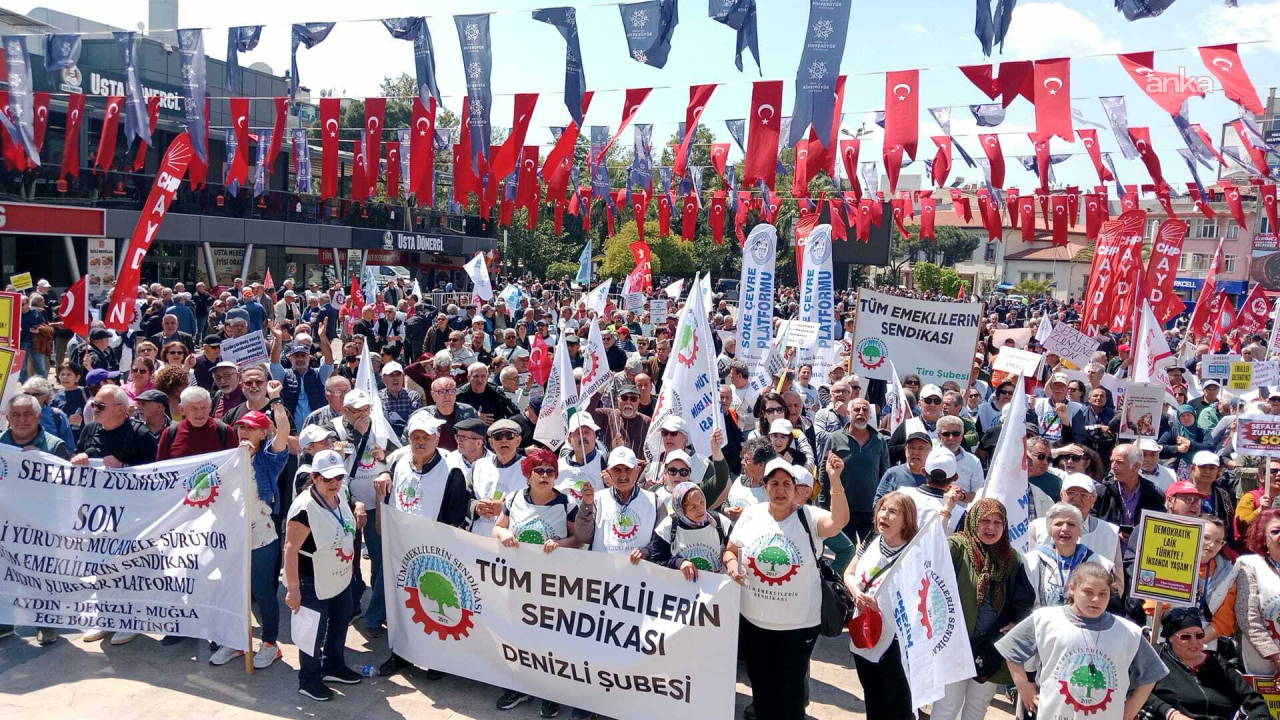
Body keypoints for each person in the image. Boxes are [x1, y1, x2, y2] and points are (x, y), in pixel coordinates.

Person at [724, 454, 849, 720]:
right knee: (762, 689)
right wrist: (732, 566)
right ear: (765, 487)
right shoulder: (751, 515)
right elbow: (730, 551)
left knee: (791, 694)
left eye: (786, 484)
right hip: (755, 623)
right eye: (774, 483)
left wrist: (835, 480)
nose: (780, 490)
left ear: (795, 488)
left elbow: (838, 522)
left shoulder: (809, 518)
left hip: (799, 626)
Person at [998, 564, 1166, 720]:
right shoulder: (1046, 620)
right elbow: (1011, 650)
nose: (1096, 599)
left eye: (1103, 594)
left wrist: (1133, 705)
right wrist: (1024, 687)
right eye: (1088, 592)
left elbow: (1152, 671)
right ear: (1072, 589)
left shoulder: (1129, 632)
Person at [374, 411, 473, 677]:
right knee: (401, 604)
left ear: (437, 438)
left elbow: (454, 518)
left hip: (433, 554)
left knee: (434, 608)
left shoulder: (452, 471)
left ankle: (436, 659)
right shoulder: (399, 464)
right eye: (415, 437)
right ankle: (401, 653)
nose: (420, 442)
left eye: (426, 437)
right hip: (400, 552)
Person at [491, 448, 583, 717]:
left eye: (550, 471)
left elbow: (579, 539)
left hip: (553, 584)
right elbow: (497, 527)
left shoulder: (566, 503)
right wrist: (503, 534)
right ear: (528, 474)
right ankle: (521, 687)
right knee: (519, 635)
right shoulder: (514, 498)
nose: (544, 476)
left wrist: (561, 544)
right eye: (539, 471)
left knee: (552, 640)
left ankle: (551, 693)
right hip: (519, 581)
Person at [932, 498, 1034, 720]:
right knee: (948, 705)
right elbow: (933, 553)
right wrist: (946, 511)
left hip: (989, 647)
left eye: (998, 522)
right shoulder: (957, 547)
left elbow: (1023, 600)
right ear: (973, 520)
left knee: (977, 707)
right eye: (985, 521)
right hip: (954, 644)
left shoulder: (1012, 559)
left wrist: (1016, 624)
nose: (991, 528)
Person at [210, 407, 290, 668]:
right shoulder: (228, 459)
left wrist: (276, 402)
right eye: (242, 427)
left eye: (252, 428)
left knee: (262, 592)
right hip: (232, 535)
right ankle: (236, 641)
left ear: (263, 433)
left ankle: (270, 644)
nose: (244, 431)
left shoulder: (268, 459)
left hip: (261, 536)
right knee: (233, 590)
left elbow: (283, 432)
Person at [283, 449, 364, 701]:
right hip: (312, 580)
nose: (334, 483)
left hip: (339, 576)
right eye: (327, 479)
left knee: (340, 622)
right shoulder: (304, 509)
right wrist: (293, 589)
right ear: (315, 477)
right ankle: (309, 680)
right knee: (312, 633)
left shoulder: (340, 495)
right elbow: (290, 549)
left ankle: (333, 666)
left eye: (338, 477)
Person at [846, 491, 918, 720]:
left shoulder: (914, 552)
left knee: (898, 704)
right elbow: (849, 573)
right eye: (882, 509)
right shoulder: (871, 539)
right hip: (864, 632)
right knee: (872, 696)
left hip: (895, 641)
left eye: (893, 512)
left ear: (906, 520)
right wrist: (857, 594)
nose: (884, 515)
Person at [1143, 606, 1272, 720]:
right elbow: (1139, 693)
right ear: (1170, 638)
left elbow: (1254, 701)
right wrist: (1169, 713)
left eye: (1199, 635)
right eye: (1185, 637)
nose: (1194, 642)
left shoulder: (1220, 664)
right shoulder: (1157, 659)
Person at [1023, 503, 1118, 608]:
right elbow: (1021, 605)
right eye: (1058, 524)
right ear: (1050, 530)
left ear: (1080, 531)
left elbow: (1112, 607)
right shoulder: (1031, 562)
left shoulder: (1100, 564)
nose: (1064, 529)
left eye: (1071, 524)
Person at [649, 482, 731, 579]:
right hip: (680, 586)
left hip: (717, 586)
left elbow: (734, 550)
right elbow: (655, 561)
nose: (700, 509)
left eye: (702, 502)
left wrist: (731, 561)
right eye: (693, 507)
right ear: (681, 509)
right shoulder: (667, 528)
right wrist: (678, 563)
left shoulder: (720, 522)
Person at [469, 418, 528, 538]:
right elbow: (465, 497)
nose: (504, 440)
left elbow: (539, 503)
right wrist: (476, 507)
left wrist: (505, 509)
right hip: (479, 537)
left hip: (513, 538)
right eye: (498, 436)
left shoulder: (530, 468)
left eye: (510, 436)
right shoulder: (478, 465)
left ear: (518, 441)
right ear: (491, 443)